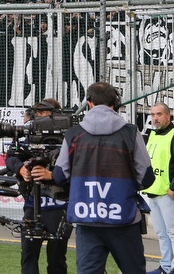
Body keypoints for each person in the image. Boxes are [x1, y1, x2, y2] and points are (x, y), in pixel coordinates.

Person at [53, 81, 155, 274]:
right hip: (124, 218)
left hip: (87, 219)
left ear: (89, 102)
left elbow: (59, 176)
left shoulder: (74, 134)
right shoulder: (130, 132)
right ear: (114, 103)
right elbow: (147, 178)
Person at [5, 98, 71, 274]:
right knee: (28, 255)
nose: (39, 117)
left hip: (61, 206)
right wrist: (20, 170)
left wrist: (53, 175)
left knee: (57, 258)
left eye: (43, 113)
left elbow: (80, 169)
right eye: (37, 113)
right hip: (33, 205)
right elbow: (11, 157)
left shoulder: (70, 139)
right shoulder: (29, 137)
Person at [143, 103, 174, 274]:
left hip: (169, 194)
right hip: (154, 192)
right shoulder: (153, 135)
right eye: (153, 115)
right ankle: (166, 266)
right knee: (162, 234)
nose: (155, 118)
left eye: (159, 114)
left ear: (168, 116)